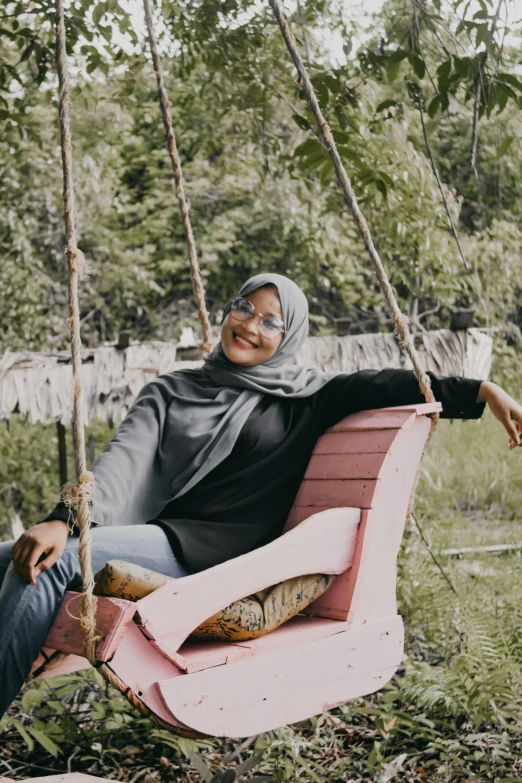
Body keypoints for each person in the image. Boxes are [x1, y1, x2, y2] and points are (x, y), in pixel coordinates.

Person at [0, 273, 521, 717]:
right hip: (160, 537)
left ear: (289, 333)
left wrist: (485, 391)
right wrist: (63, 519)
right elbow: (117, 467)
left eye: (271, 321)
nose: (249, 325)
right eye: (244, 307)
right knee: (14, 554)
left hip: (216, 559)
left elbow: (391, 384)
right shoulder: (171, 390)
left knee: (50, 567)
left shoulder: (310, 397)